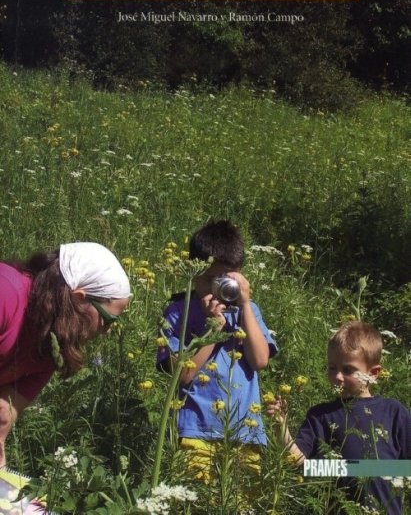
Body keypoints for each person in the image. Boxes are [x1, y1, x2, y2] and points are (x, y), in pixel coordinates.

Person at [157, 220, 278, 504]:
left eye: (224, 279)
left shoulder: (249, 310)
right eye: (207, 279)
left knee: (239, 504)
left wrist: (246, 305)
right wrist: (213, 330)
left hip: (245, 431)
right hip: (195, 428)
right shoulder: (177, 311)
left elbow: (260, 360)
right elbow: (182, 375)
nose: (215, 289)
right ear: (193, 273)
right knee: (193, 502)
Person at [0, 241, 131, 468]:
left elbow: (4, 413)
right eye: (107, 320)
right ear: (79, 299)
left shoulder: (53, 341)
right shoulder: (6, 293)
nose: (107, 331)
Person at [266, 321, 411, 515]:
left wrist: (375, 470)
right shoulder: (320, 415)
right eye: (332, 367)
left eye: (348, 370)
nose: (338, 377)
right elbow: (300, 463)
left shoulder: (393, 412)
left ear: (373, 373)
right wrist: (280, 426)